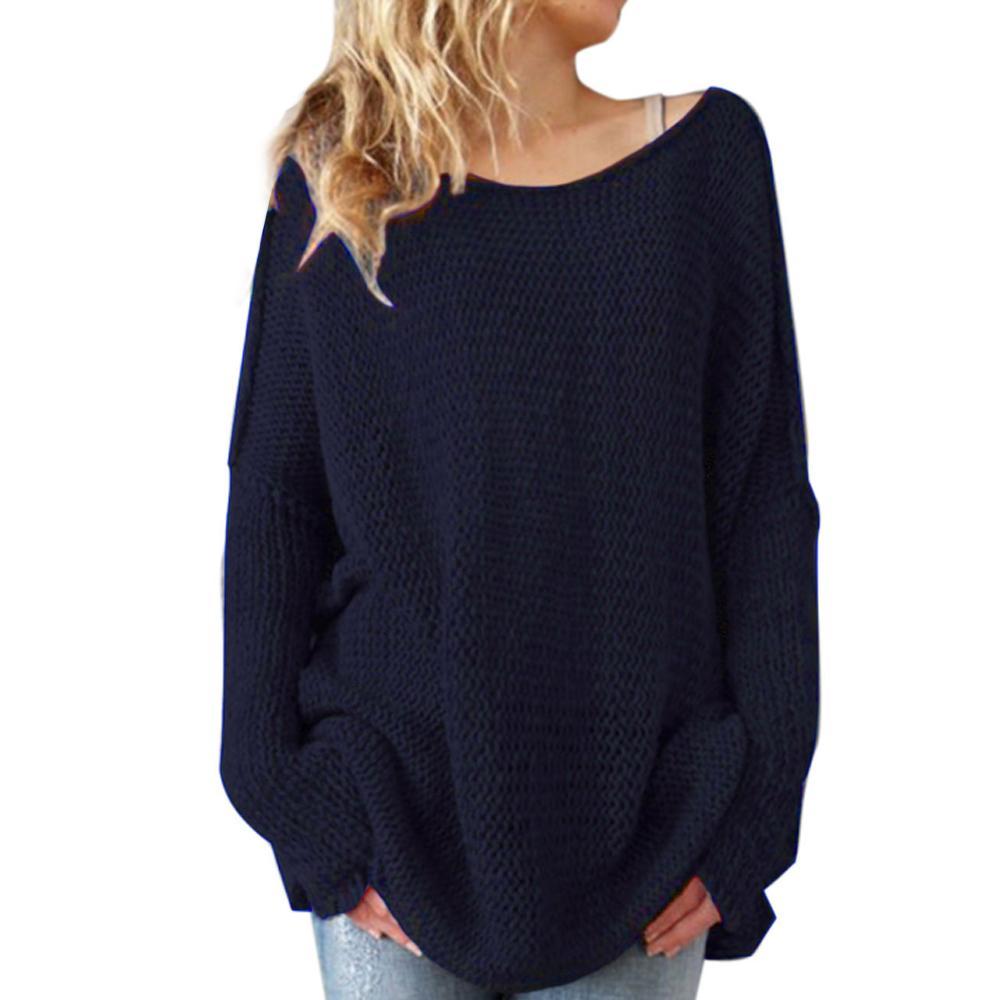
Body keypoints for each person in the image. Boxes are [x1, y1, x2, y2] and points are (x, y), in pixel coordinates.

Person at [219, 1, 822, 997]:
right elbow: (278, 498)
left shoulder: (707, 162)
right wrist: (284, 792)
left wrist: (756, 815)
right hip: (388, 824)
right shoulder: (343, 183)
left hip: (646, 834)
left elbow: (762, 501)